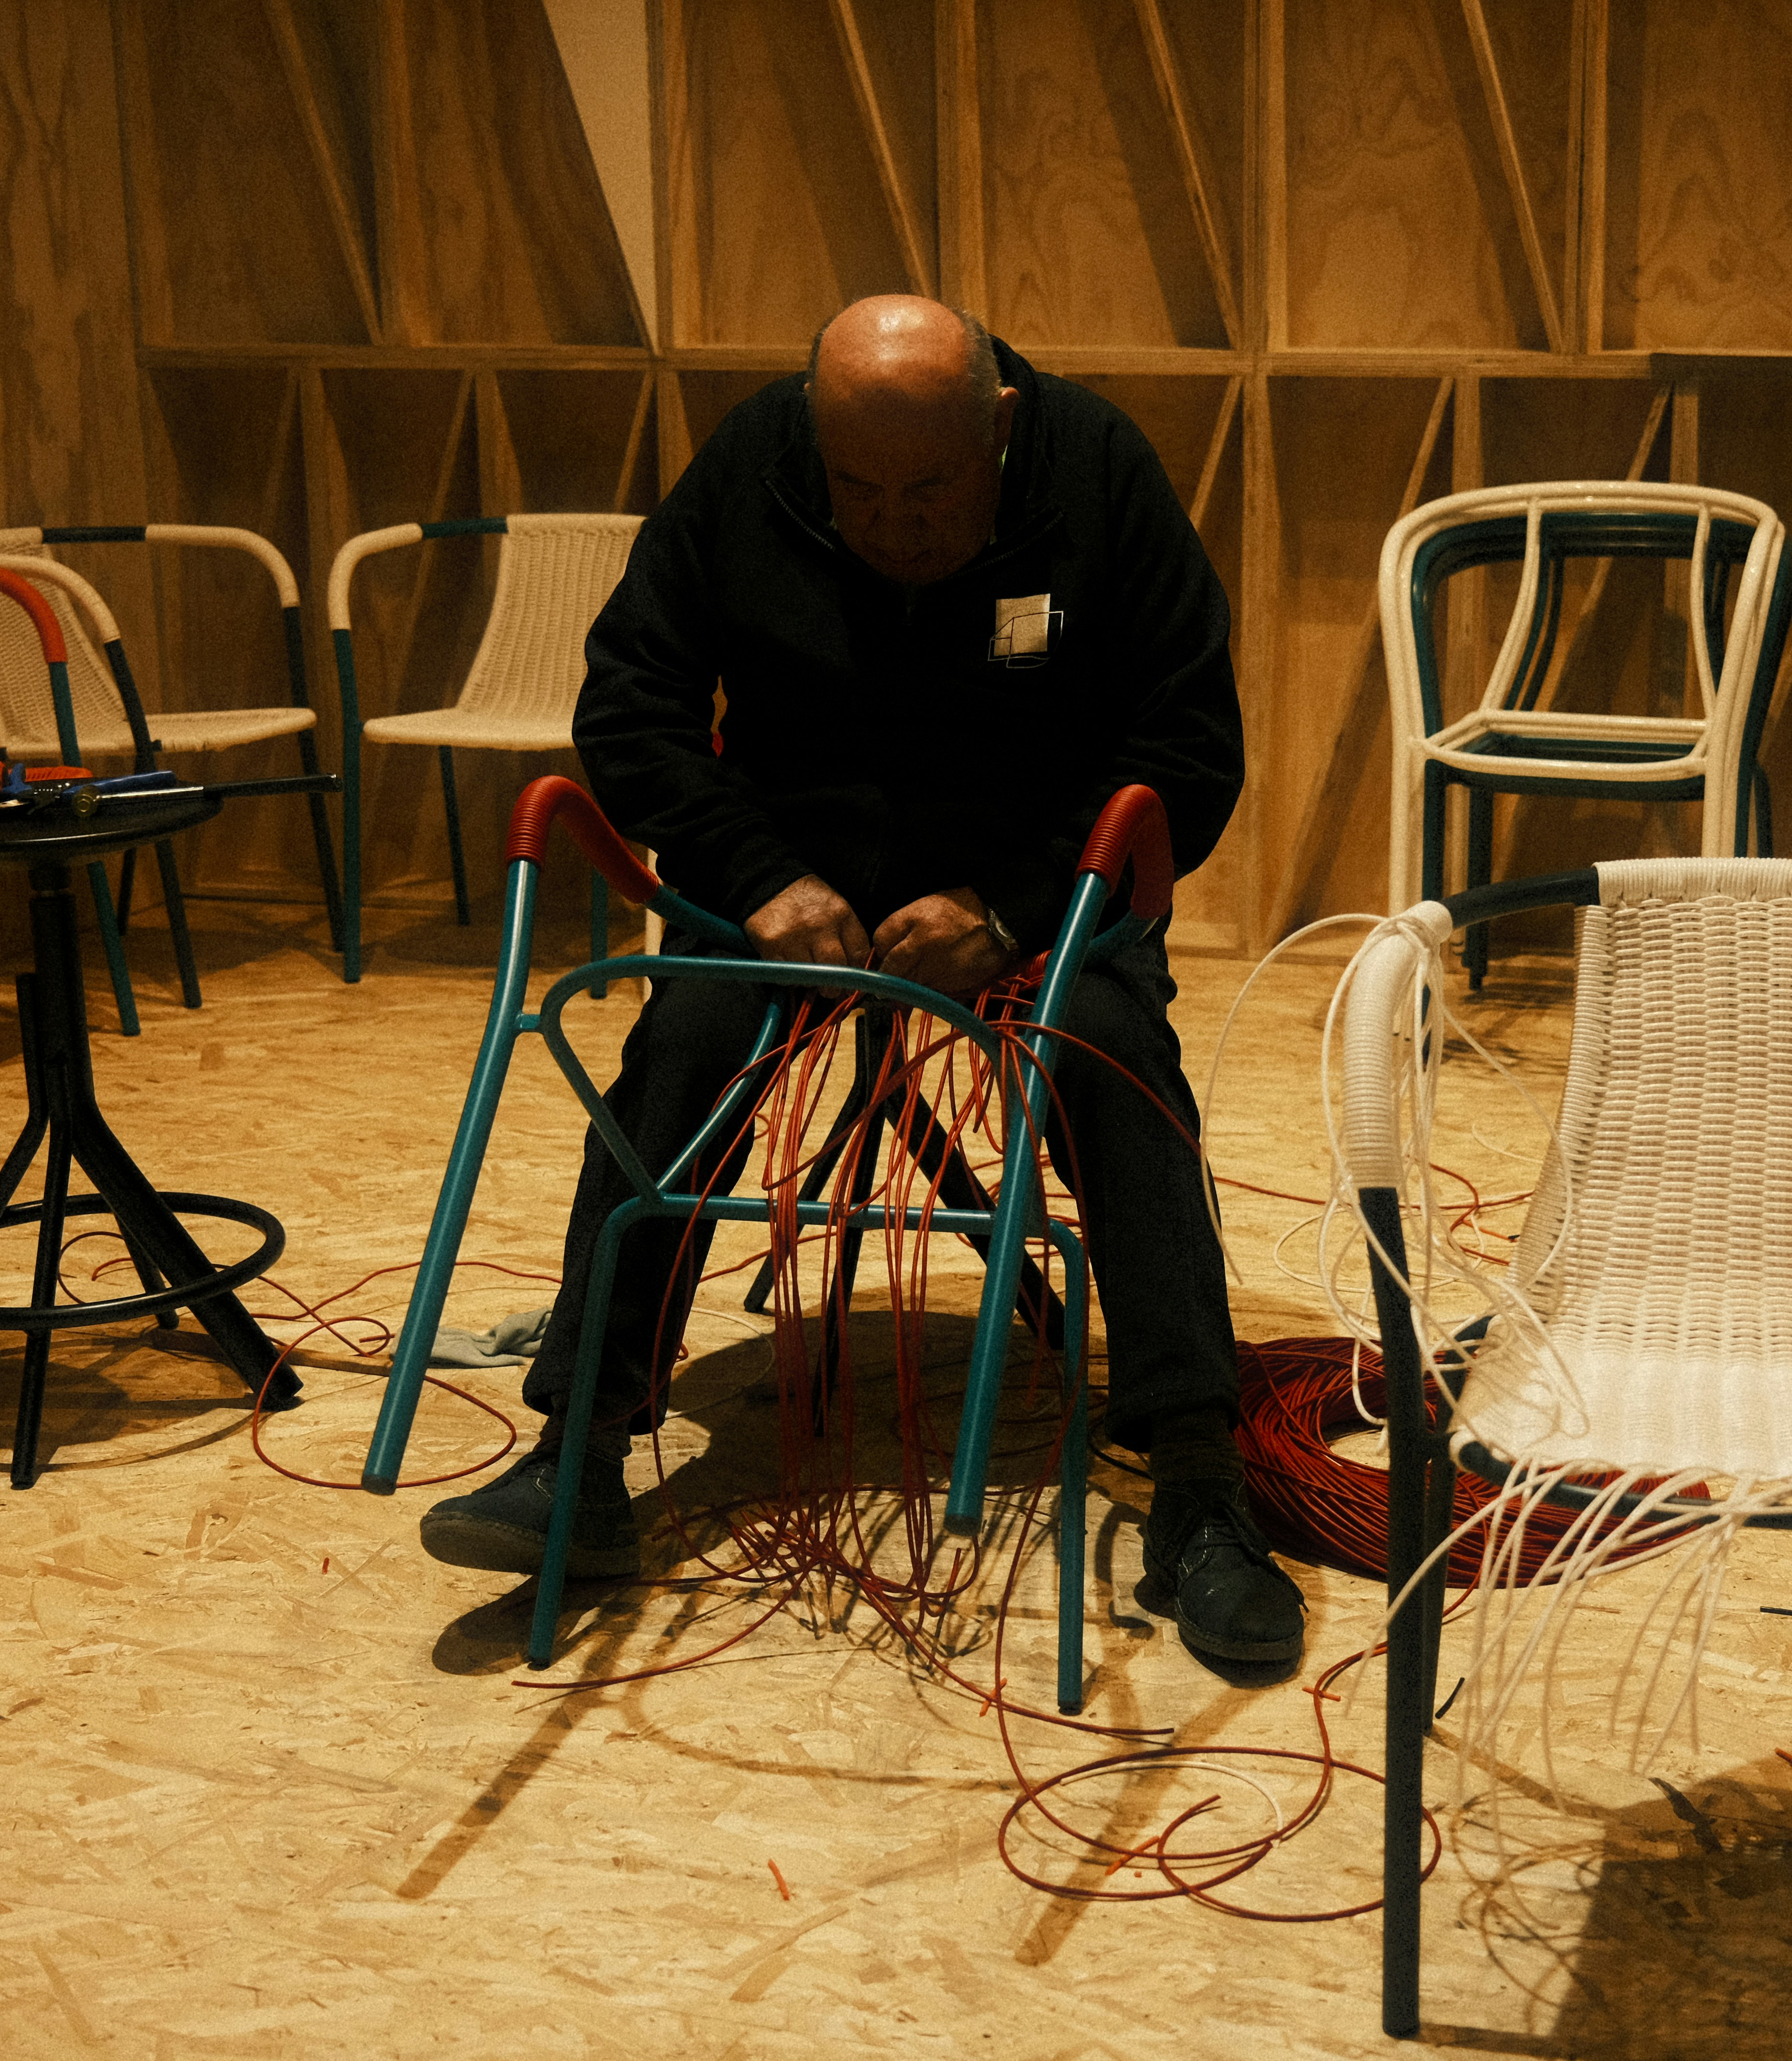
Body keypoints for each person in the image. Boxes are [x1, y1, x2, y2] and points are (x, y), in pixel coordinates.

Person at [417, 295, 1305, 1667]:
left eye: (933, 487)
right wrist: (759, 876)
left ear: (999, 427)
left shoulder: (1097, 467)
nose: (895, 524)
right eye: (858, 490)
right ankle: (579, 1456)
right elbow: (630, 705)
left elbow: (1187, 747)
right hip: (789, 892)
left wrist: (1013, 911)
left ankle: (1198, 1487)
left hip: (1034, 891)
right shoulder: (749, 462)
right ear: (813, 437)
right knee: (685, 1033)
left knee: (1117, 1055)